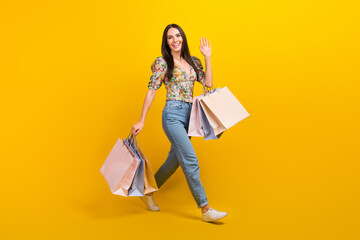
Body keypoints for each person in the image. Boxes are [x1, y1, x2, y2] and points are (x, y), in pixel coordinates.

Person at [131, 23, 227, 222]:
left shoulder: (193, 61)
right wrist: (142, 119)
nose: (175, 40)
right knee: (190, 160)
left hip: (191, 117)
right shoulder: (163, 63)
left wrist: (208, 58)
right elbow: (152, 90)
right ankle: (205, 209)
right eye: (170, 37)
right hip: (172, 115)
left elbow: (208, 84)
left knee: (173, 161)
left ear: (183, 38)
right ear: (166, 42)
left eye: (178, 36)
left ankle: (147, 191)